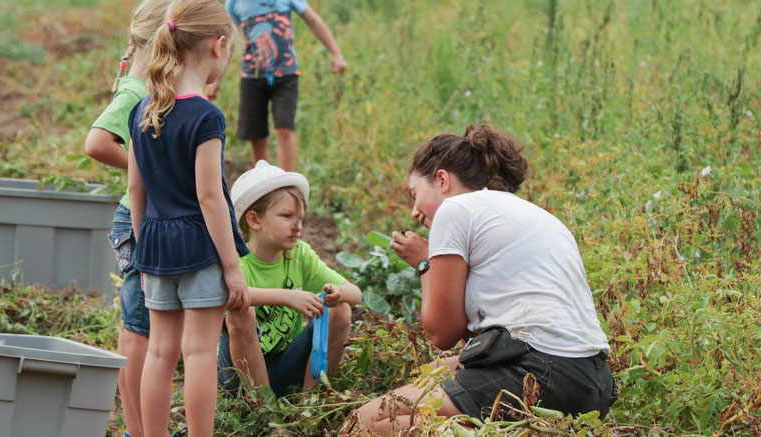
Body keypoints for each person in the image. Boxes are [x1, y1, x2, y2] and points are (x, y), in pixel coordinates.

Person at [354, 125, 615, 435]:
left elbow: (441, 334)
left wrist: (426, 264)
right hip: (594, 384)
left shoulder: (455, 209)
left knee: (364, 425)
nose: (413, 213)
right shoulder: (533, 214)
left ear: (442, 180)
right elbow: (480, 343)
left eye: (415, 195)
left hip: (540, 373)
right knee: (437, 371)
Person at [126, 1, 250, 435]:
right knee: (198, 353)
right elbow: (210, 197)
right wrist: (232, 267)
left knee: (160, 352)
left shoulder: (141, 110)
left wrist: (143, 254)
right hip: (199, 245)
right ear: (218, 46)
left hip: (156, 245)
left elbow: (136, 191)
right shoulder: (205, 115)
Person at [83, 1, 172, 435]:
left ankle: (137, 426)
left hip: (141, 218)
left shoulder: (141, 86)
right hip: (135, 222)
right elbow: (97, 142)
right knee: (139, 331)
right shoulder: (135, 91)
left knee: (136, 329)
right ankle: (138, 429)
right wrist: (149, 167)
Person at [217, 160, 361, 397]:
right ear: (254, 220)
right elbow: (226, 295)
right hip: (237, 377)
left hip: (285, 365)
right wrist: (287, 297)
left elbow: (355, 293)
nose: (298, 226)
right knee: (240, 312)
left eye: (300, 218)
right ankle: (264, 409)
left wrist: (338, 293)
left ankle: (310, 403)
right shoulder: (235, 259)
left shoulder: (298, 254)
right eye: (286, 216)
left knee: (341, 309)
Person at [224, 0, 346, 171]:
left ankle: (287, 183)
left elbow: (313, 20)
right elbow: (226, 40)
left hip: (286, 75)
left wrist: (335, 53)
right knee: (257, 137)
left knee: (284, 130)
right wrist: (215, 80)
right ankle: (264, 182)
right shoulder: (234, 2)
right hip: (252, 78)